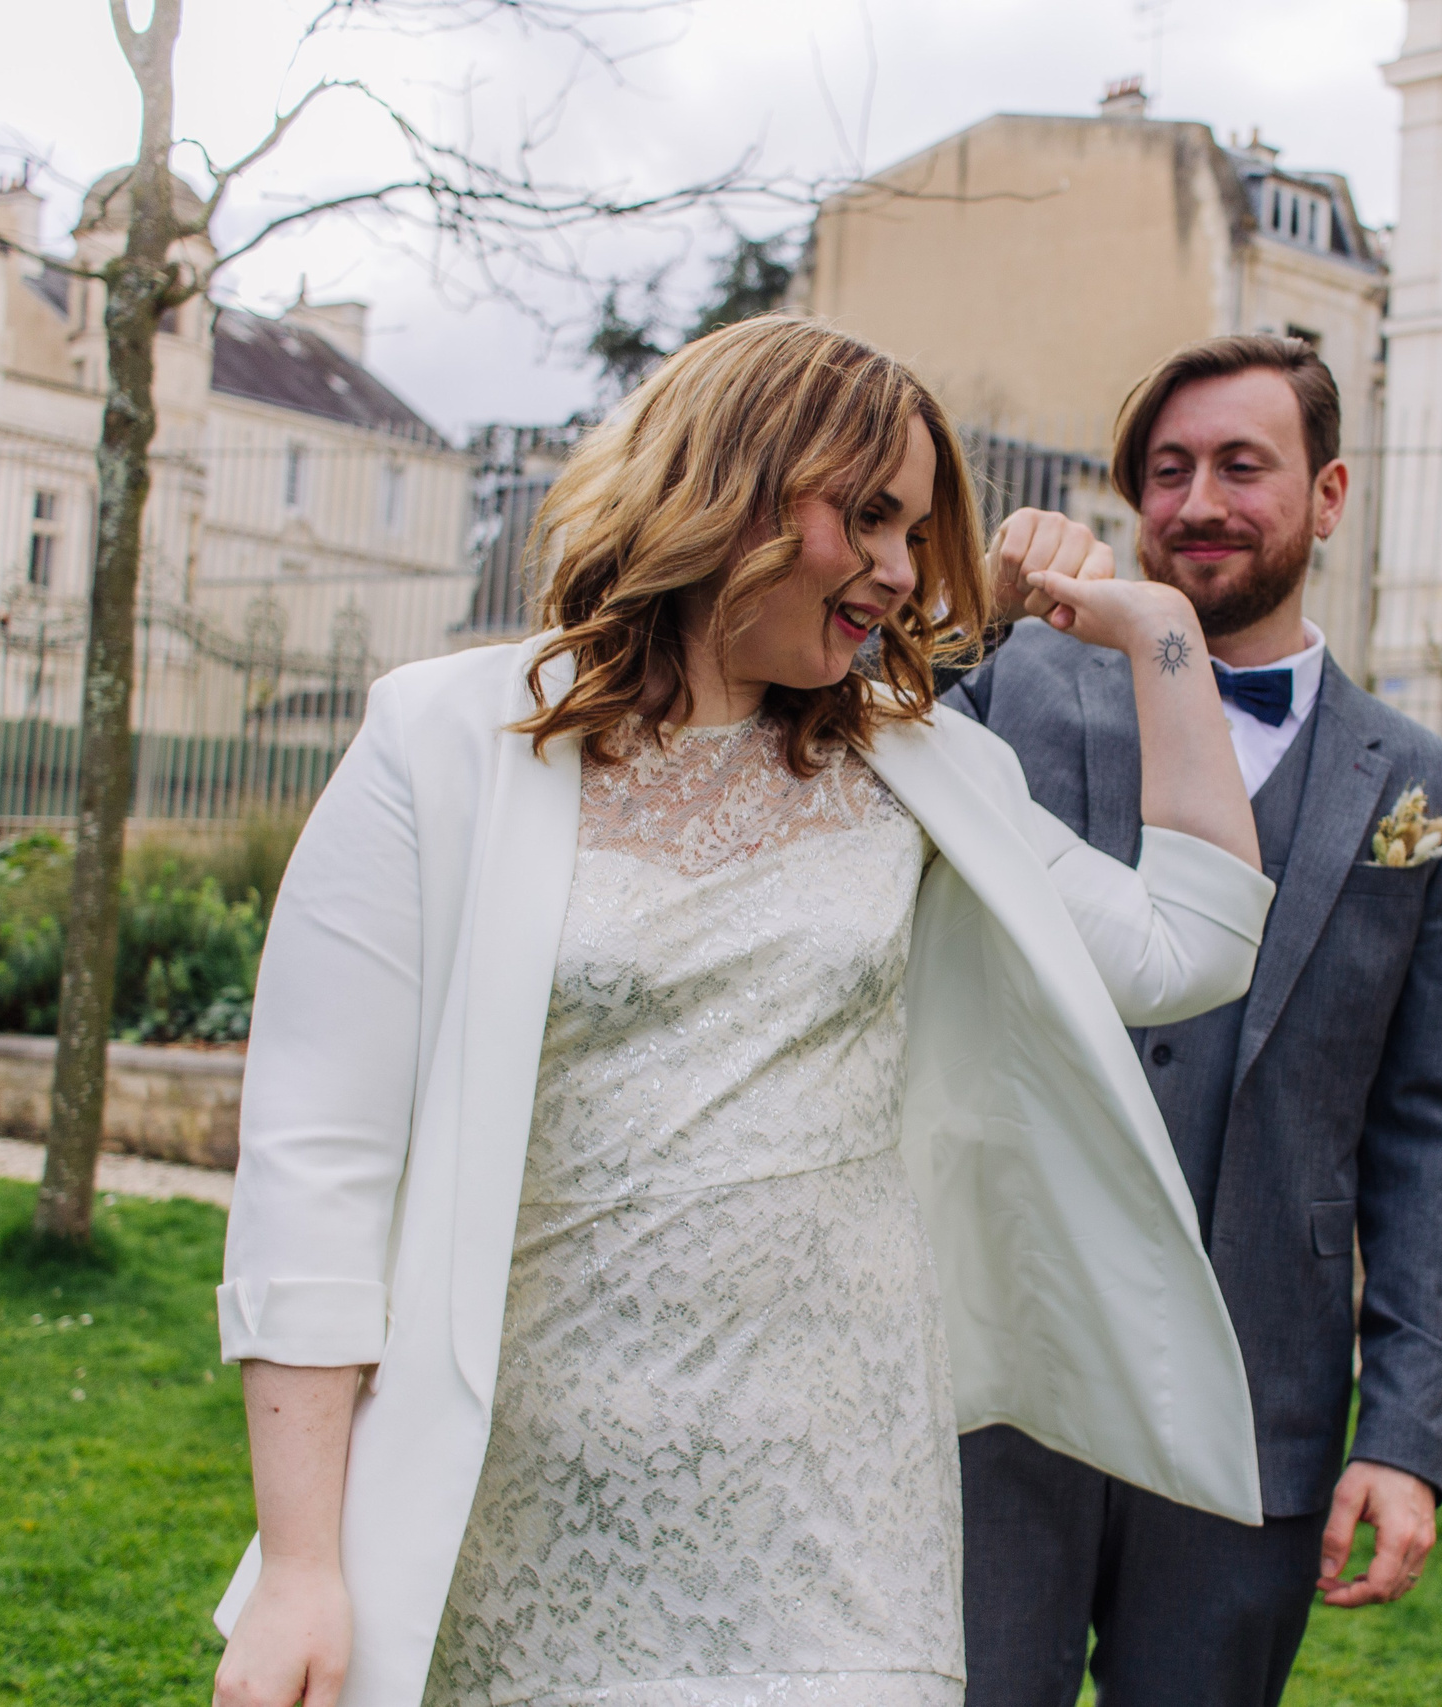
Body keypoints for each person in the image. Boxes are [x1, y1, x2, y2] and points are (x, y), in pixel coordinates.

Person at [206, 316, 1281, 1707]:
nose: (902, 571)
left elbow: (1188, 943)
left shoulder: (923, 767)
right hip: (519, 1510)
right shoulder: (442, 741)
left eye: (918, 531)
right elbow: (317, 1157)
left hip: (842, 1518)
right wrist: (303, 1561)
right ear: (734, 488)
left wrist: (1163, 632)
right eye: (872, 517)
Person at [945, 334, 1442, 1707]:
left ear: (1328, 495)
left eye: (1242, 465)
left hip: (1256, 1402)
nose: (1197, 501)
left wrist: (1408, 1432)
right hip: (1006, 1374)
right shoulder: (1015, 687)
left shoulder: (1428, 792)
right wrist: (972, 602)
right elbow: (838, 741)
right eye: (1168, 470)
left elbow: (1432, 1132)